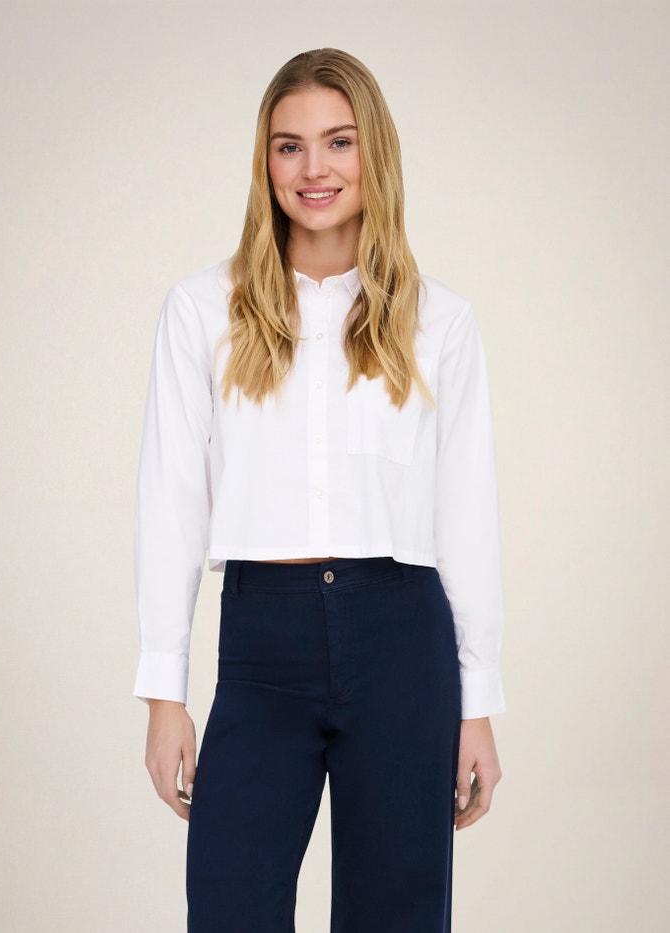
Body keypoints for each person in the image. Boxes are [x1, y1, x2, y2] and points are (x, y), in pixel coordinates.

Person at [134, 48, 504, 933]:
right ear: (264, 163)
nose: (314, 169)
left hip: (402, 640)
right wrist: (164, 692)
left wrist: (479, 703)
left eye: (339, 142)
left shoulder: (440, 322)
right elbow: (172, 500)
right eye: (289, 146)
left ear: (375, 153)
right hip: (263, 643)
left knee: (397, 915)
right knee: (230, 906)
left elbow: (466, 515)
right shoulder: (203, 311)